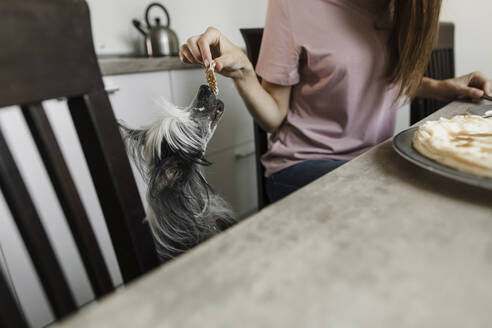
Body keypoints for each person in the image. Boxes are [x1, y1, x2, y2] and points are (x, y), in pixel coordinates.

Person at [180, 0, 490, 203]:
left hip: (376, 162)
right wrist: (244, 71)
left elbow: (376, 78)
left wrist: (442, 87)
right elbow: (274, 116)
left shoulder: (399, 8)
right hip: (303, 165)